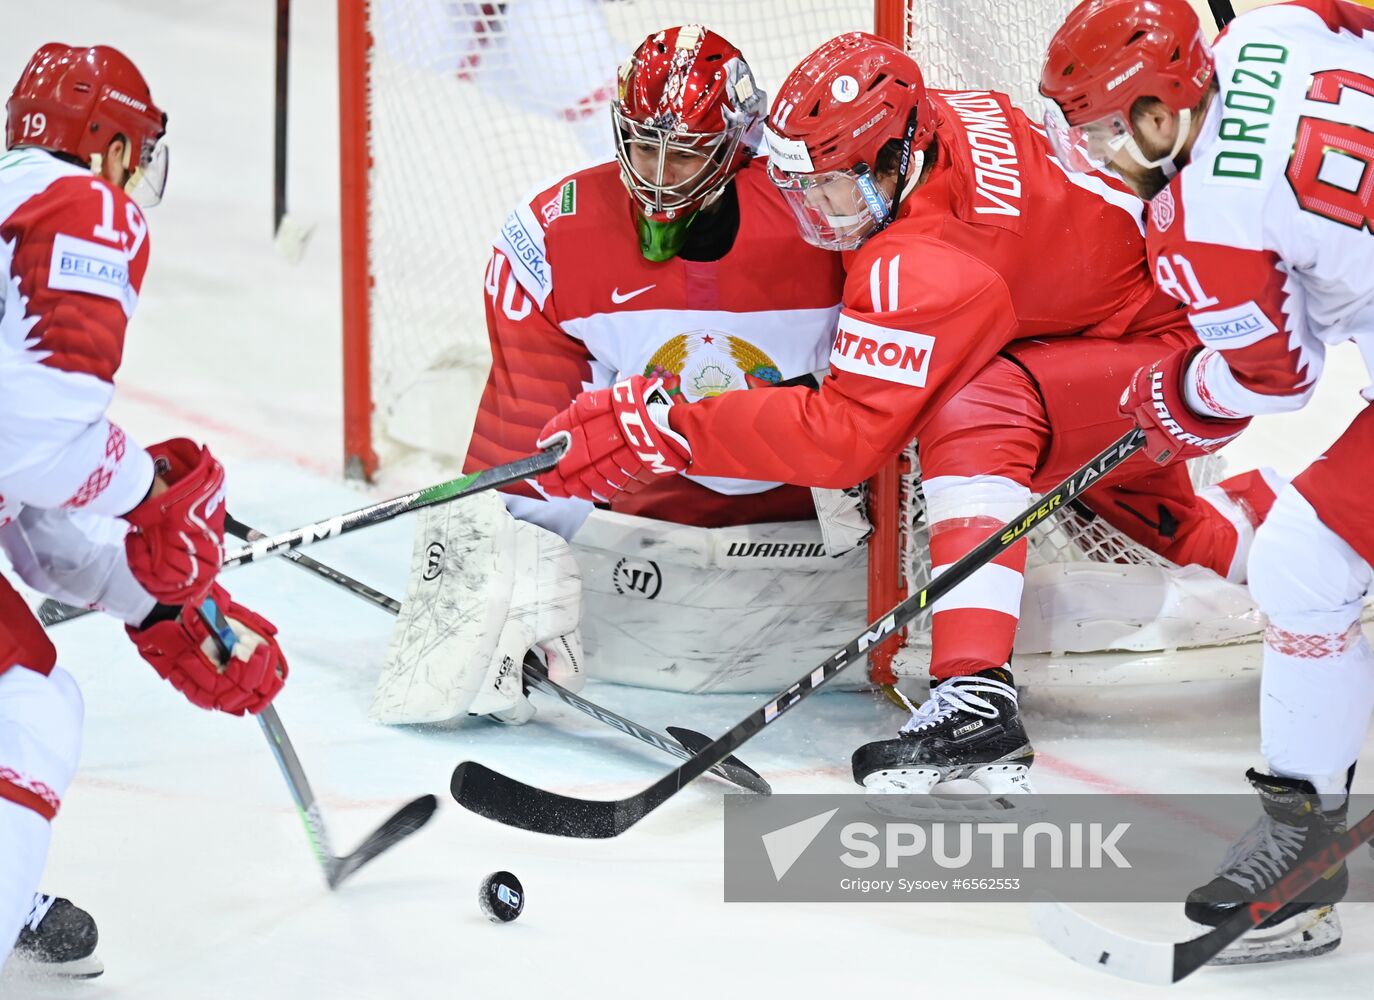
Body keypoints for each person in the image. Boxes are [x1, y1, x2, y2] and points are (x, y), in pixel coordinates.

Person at [531, 30, 1279, 794]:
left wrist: (669, 429)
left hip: (1187, 354)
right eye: (801, 184)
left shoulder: (921, 263)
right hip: (1131, 326)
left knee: (978, 405)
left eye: (829, 185)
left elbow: (842, 441)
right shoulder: (931, 123)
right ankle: (1319, 532)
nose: (812, 210)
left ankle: (974, 698)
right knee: (1182, 529)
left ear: (893, 160)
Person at [369, 24, 856, 723]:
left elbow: (884, 396)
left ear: (739, 145)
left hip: (827, 543)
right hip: (645, 556)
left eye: (684, 153)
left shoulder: (831, 217)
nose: (657, 173)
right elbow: (527, 449)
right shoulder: (548, 239)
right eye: (642, 143)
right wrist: (494, 592)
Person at [1041, 0, 1374, 963]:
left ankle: (1302, 864)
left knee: (1304, 568)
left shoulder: (1200, 225)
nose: (1091, 148)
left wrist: (1177, 394)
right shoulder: (1268, 31)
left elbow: (1280, 380)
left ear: (1158, 114)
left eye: (1102, 126)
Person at [0, 43, 288, 975]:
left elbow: (30, 514)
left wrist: (164, 604)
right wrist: (152, 495)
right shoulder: (77, 206)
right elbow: (36, 449)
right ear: (113, 145)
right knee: (26, 713)